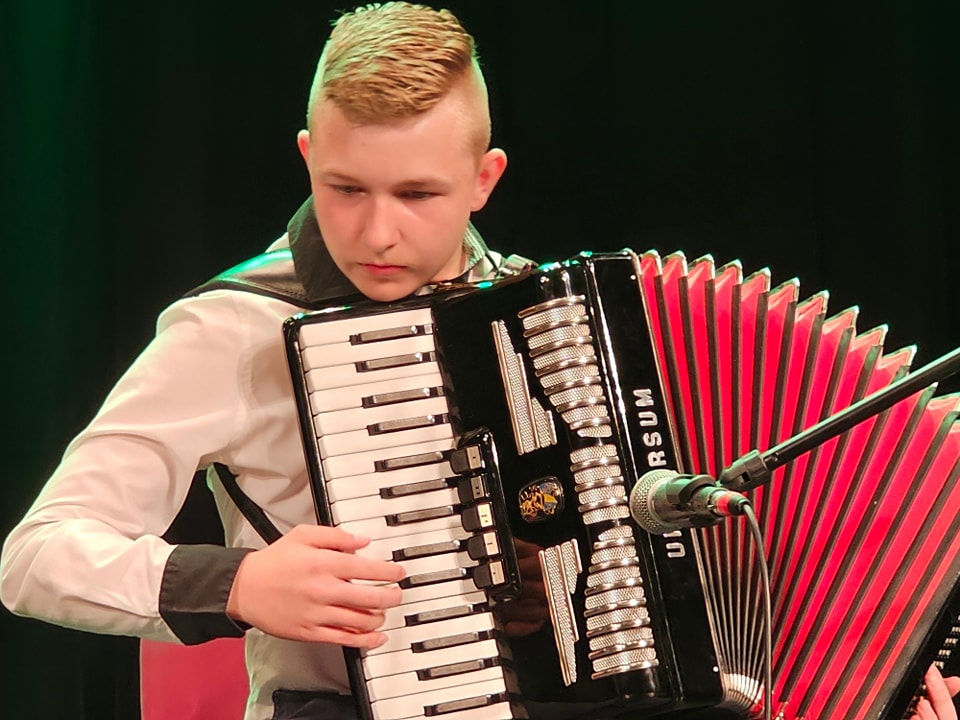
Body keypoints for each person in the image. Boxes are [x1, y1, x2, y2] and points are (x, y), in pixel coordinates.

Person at [0, 4, 956, 720]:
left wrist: (876, 676)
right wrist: (239, 585)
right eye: (344, 188)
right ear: (306, 158)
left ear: (484, 179)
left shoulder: (556, 327)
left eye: (418, 194)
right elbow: (37, 555)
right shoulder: (233, 330)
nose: (377, 232)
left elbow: (681, 585)